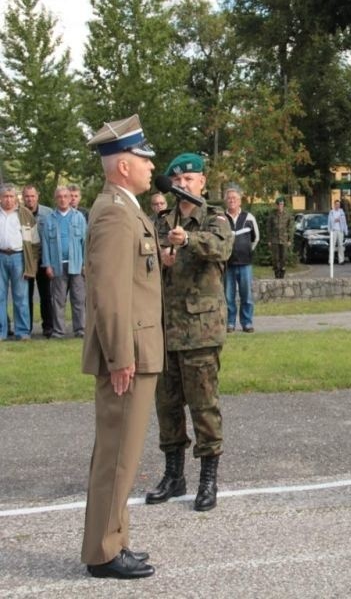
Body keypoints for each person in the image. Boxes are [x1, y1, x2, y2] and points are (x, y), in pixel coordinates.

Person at [81, 114, 162, 579]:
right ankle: (104, 553)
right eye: (143, 157)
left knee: (123, 455)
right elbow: (109, 294)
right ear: (122, 166)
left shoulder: (125, 207)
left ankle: (115, 540)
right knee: (116, 455)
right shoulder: (114, 210)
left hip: (135, 350)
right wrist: (120, 357)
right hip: (127, 355)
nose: (151, 165)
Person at [146, 152, 233, 512]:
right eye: (177, 181)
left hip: (200, 330)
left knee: (203, 407)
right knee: (167, 406)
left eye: (189, 179)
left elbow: (221, 248)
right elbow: (144, 263)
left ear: (202, 182)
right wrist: (159, 260)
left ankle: (207, 479)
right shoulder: (160, 220)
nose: (182, 185)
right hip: (165, 330)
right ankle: (174, 475)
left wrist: (187, 242)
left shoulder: (214, 219)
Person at [40, 186, 87, 338]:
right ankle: (59, 331)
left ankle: (80, 329)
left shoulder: (78, 217)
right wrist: (47, 265)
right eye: (59, 196)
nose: (63, 199)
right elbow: (45, 244)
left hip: (77, 265)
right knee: (58, 301)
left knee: (79, 300)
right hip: (57, 265)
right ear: (56, 199)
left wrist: (85, 264)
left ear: (70, 198)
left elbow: (86, 243)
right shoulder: (50, 219)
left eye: (66, 196)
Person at [0, 184, 38, 340]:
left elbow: (35, 243)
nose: (8, 200)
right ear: (0, 198)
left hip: (19, 257)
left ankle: (22, 332)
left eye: (11, 196)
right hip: (0, 256)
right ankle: (1, 332)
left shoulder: (25, 214)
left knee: (21, 296)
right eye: (5, 196)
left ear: (15, 197)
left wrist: (31, 265)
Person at [224, 183, 259, 332]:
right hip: (227, 264)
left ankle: (247, 322)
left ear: (240, 201)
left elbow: (255, 238)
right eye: (229, 198)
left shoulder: (248, 217)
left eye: (234, 198)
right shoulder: (221, 218)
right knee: (228, 295)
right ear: (226, 201)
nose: (232, 200)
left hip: (245, 263)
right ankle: (230, 323)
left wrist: (246, 250)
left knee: (247, 295)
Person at [22, 185, 54, 337]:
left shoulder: (48, 213)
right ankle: (26, 327)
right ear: (23, 197)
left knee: (46, 295)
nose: (30, 199)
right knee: (25, 295)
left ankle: (48, 326)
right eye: (27, 196)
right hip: (26, 260)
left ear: (37, 196)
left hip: (44, 259)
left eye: (32, 196)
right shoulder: (18, 214)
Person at [267, 195, 293, 279]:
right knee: (275, 258)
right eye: (279, 204)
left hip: (284, 239)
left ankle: (282, 274)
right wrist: (269, 240)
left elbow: (290, 228)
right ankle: (276, 273)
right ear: (276, 205)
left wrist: (289, 240)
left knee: (284, 257)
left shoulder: (287, 215)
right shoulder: (272, 215)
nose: (280, 206)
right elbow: (269, 228)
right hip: (274, 240)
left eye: (282, 204)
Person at [327, 199, 348, 265]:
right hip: (333, 231)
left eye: (338, 204)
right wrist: (329, 229)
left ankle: (341, 260)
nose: (337, 206)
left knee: (341, 246)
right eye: (336, 204)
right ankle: (330, 261)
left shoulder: (342, 212)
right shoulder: (331, 212)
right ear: (334, 205)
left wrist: (345, 230)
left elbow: (344, 222)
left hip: (340, 231)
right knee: (332, 246)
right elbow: (329, 222)